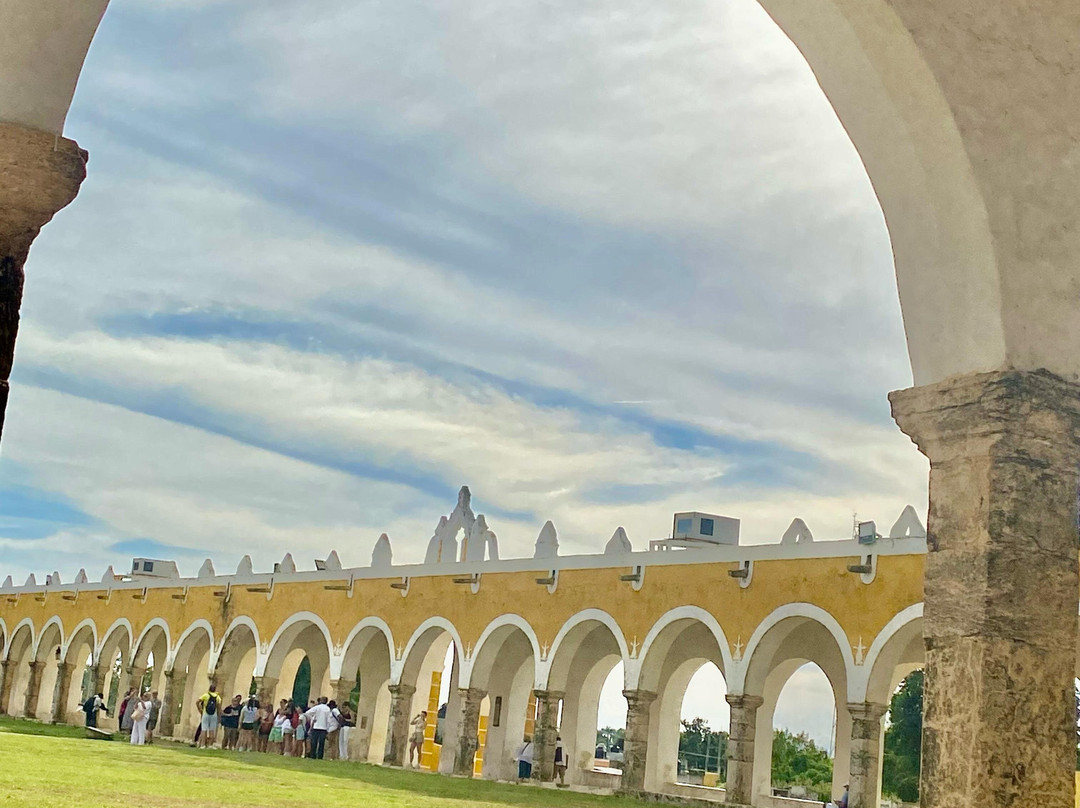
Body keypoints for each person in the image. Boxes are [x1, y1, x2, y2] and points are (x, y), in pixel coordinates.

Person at [197, 682, 224, 748]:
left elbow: (197, 701)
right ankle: (210, 745)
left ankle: (203, 744)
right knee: (212, 730)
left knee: (204, 729)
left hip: (205, 713)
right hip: (213, 715)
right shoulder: (217, 697)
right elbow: (219, 707)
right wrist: (219, 716)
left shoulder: (206, 695)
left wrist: (200, 709)